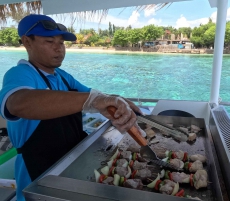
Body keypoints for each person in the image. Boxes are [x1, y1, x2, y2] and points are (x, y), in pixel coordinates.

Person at [0, 14, 143, 201]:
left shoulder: (62, 76)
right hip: (38, 182)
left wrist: (121, 104)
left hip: (72, 171)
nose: (58, 48)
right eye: (50, 41)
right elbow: (18, 103)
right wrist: (93, 101)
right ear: (27, 42)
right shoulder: (19, 74)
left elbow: (98, 97)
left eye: (61, 43)